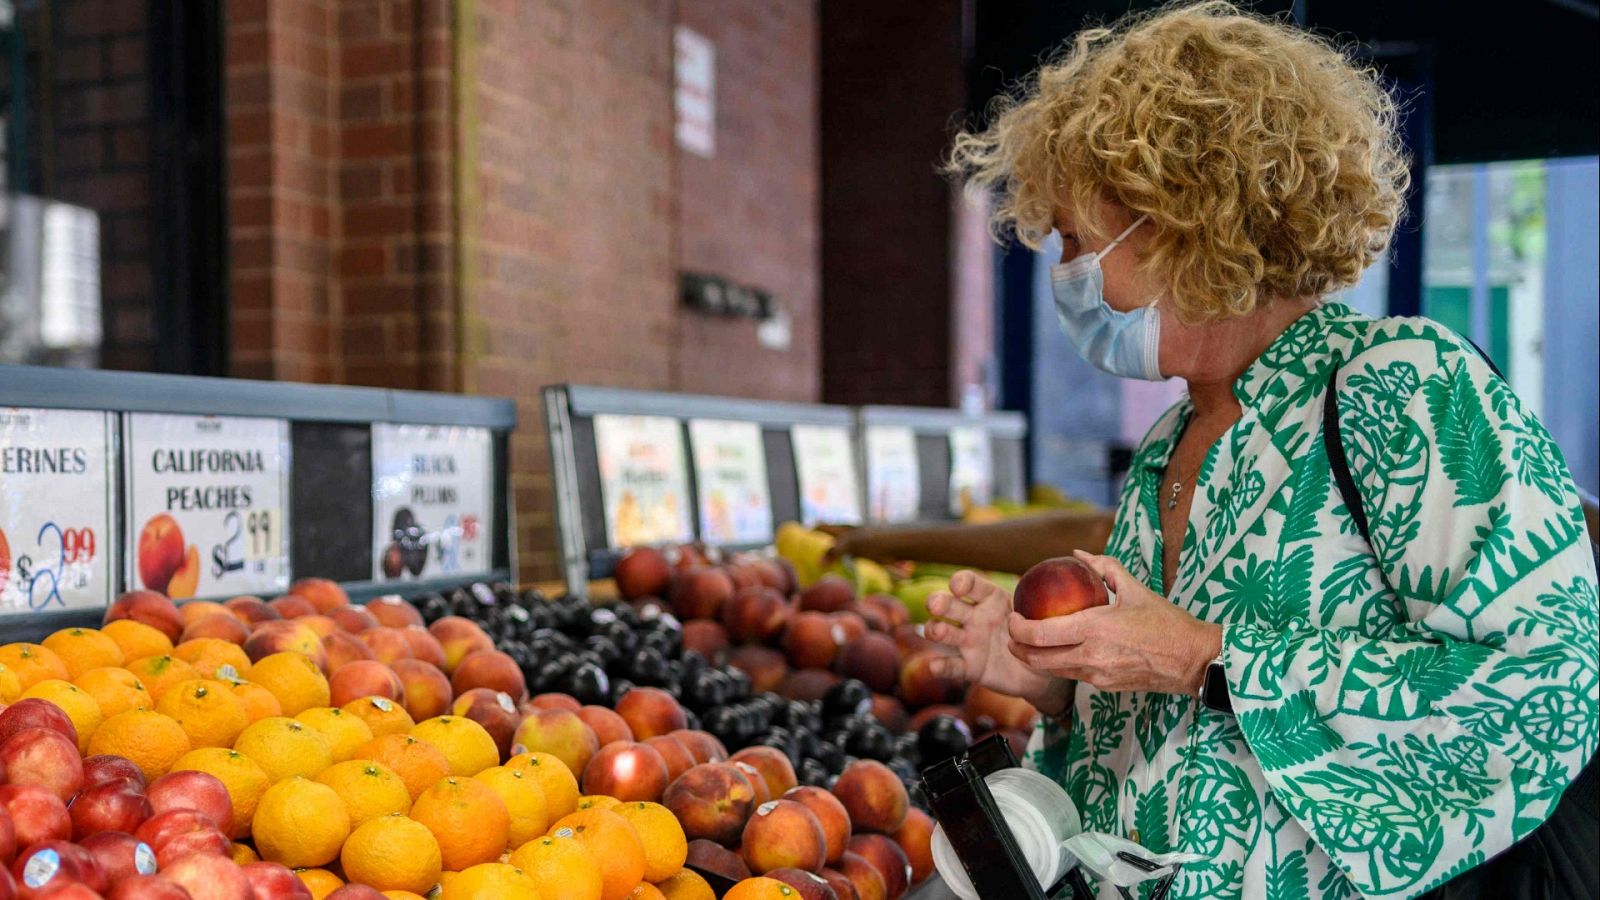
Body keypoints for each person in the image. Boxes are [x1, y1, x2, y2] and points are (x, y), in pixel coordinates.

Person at [928, 3, 1600, 898]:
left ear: (1184, 223)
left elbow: (1545, 692)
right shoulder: (1170, 442)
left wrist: (1203, 655)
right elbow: (1174, 740)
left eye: (1080, 241)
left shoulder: (1404, 385)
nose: (1066, 275)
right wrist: (1056, 685)